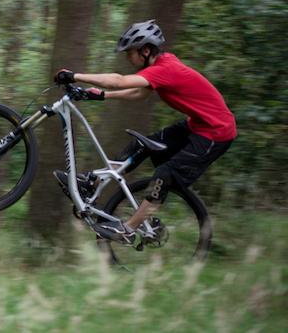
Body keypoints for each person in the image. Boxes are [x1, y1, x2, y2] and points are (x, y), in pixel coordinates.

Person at [53, 19, 236, 245]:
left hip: (216, 132)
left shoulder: (165, 69)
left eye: (129, 53)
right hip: (197, 125)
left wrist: (75, 76)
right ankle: (92, 184)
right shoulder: (161, 65)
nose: (128, 58)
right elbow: (139, 94)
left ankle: (128, 229)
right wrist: (101, 95)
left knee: (165, 175)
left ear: (146, 50)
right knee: (141, 145)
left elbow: (119, 81)